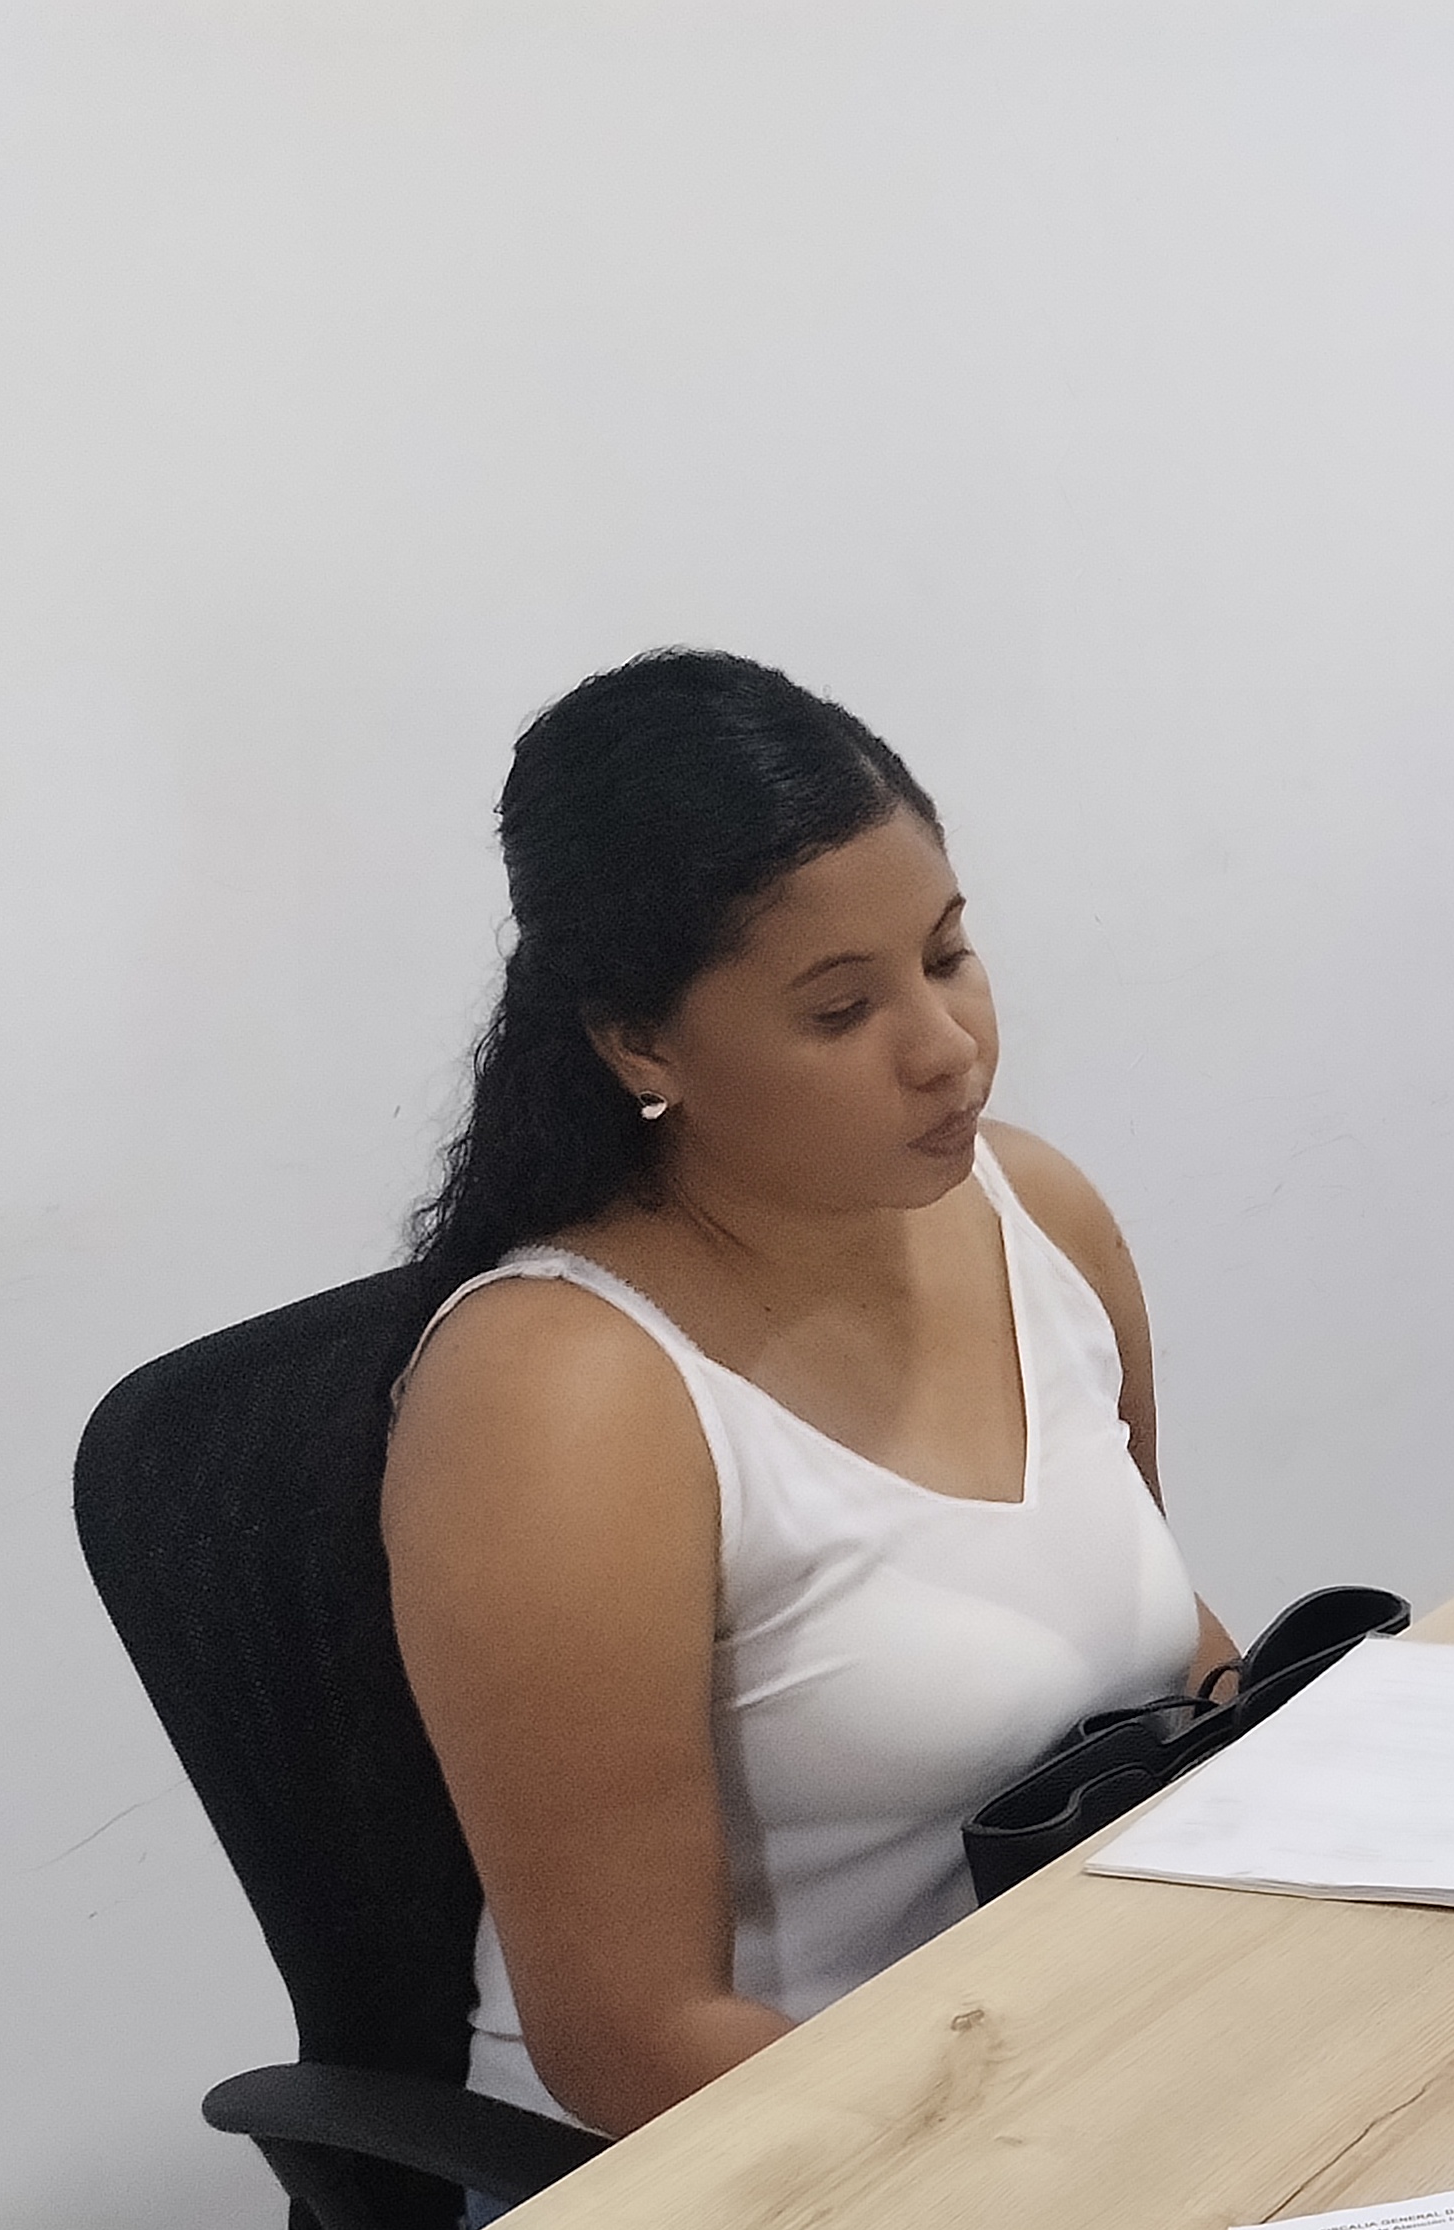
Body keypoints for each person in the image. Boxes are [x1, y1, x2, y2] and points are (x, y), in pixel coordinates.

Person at [388, 651, 1234, 2145]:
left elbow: (1168, 1664)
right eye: (841, 1012)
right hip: (774, 2160)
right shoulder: (562, 1401)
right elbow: (632, 2039)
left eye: (949, 956)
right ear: (641, 1043)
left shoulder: (1034, 1210)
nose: (947, 1050)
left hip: (1081, 2043)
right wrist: (1057, 2149)